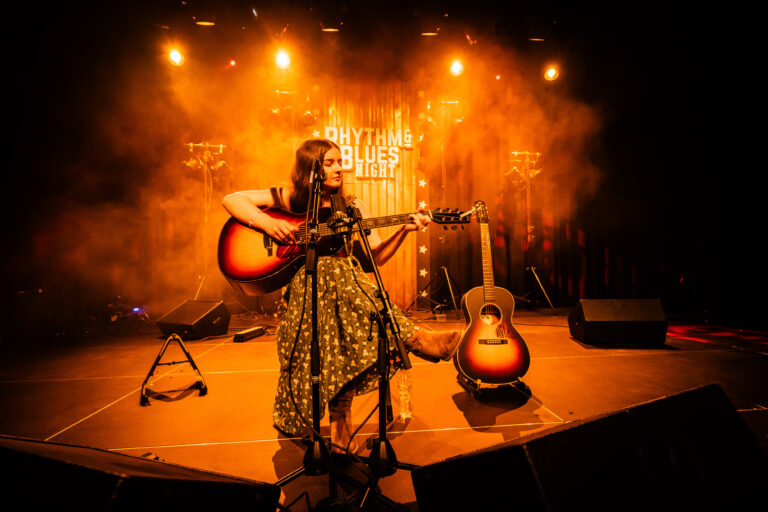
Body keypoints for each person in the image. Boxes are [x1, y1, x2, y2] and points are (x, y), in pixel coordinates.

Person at [222, 138, 460, 452]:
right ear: (312, 168)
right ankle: (414, 338)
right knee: (332, 274)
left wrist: (405, 229)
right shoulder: (291, 198)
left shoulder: (352, 206)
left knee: (341, 313)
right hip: (307, 295)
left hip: (344, 297)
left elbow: (374, 257)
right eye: (330, 162)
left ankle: (340, 426)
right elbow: (232, 199)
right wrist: (267, 222)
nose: (339, 168)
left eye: (340, 161)